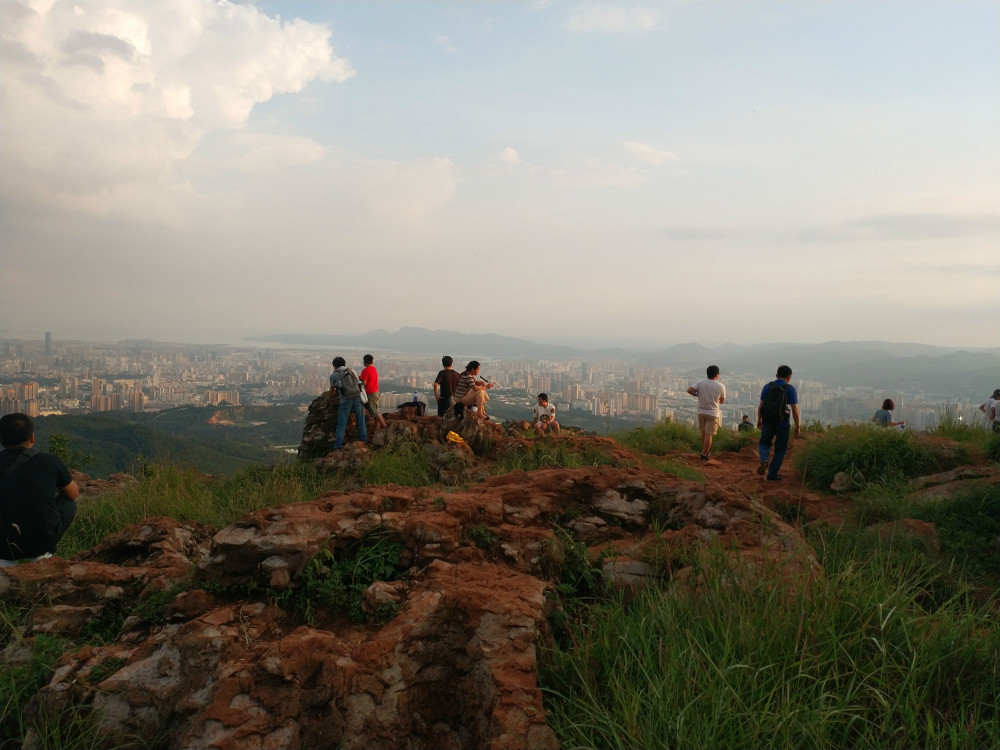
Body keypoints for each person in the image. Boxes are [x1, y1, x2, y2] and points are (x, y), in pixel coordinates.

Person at [0, 413, 80, 566]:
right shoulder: (49, 461)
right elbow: (73, 494)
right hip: (43, 539)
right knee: (68, 503)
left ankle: (4, 562)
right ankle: (43, 555)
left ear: (1, 440)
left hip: (3, 543)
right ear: (32, 437)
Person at [756, 365, 801, 482]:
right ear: (789, 377)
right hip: (782, 422)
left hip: (767, 420)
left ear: (776, 376)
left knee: (764, 442)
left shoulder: (768, 386)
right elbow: (795, 409)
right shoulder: (790, 389)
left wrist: (759, 420)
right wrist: (798, 426)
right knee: (780, 449)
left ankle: (764, 459)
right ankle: (772, 475)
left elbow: (761, 406)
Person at [687, 365, 726, 460]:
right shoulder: (721, 386)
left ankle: (705, 451)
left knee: (703, 433)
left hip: (701, 411)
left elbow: (689, 390)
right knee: (709, 435)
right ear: (717, 375)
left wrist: (697, 394)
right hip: (713, 413)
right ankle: (704, 455)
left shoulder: (700, 383)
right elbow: (722, 401)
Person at [329, 357, 368, 450]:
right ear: (344, 364)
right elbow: (359, 383)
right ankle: (364, 442)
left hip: (345, 400)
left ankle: (338, 446)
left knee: (342, 424)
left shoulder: (334, 375)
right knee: (361, 422)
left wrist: (331, 395)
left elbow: (332, 389)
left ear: (334, 366)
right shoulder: (352, 371)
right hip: (357, 398)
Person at [359, 354, 387, 430]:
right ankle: (377, 430)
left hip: (370, 393)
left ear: (364, 362)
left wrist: (359, 383)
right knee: (375, 412)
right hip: (376, 392)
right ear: (372, 361)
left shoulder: (365, 370)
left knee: (374, 412)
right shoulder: (374, 369)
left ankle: (384, 426)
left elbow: (364, 383)